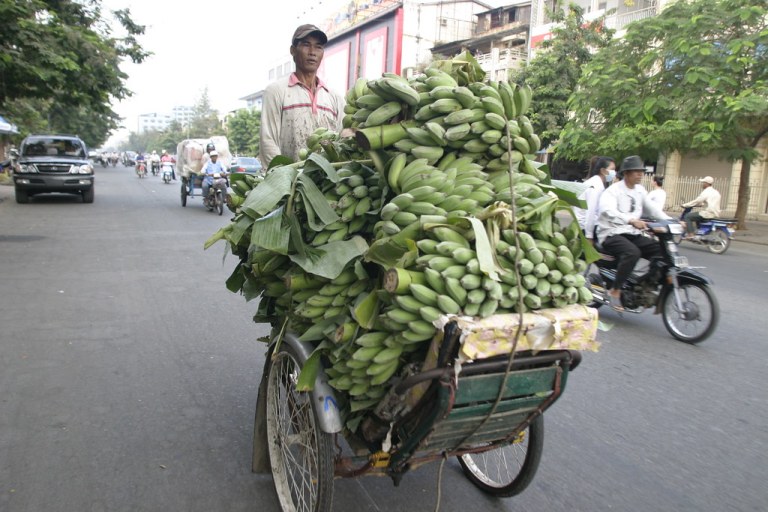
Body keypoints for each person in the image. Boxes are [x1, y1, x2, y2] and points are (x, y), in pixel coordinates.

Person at [260, 24, 345, 168]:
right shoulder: (276, 91)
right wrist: (283, 178)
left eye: (318, 47)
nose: (312, 52)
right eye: (306, 45)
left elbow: (342, 139)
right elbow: (268, 141)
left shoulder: (334, 97)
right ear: (293, 50)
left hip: (327, 183)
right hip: (290, 182)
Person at [597, 155, 673, 311]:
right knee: (633, 252)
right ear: (626, 173)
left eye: (641, 171)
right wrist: (630, 220)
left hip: (631, 233)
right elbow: (608, 210)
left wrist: (672, 221)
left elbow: (653, 210)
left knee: (661, 251)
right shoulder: (613, 191)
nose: (640, 174)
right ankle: (616, 291)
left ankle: (643, 286)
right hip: (612, 233)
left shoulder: (640, 191)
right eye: (636, 171)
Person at [574, 156, 616, 243]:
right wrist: (589, 236)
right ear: (603, 171)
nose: (614, 173)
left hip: (590, 226)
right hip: (586, 228)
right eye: (612, 169)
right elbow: (591, 212)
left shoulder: (597, 183)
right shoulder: (596, 186)